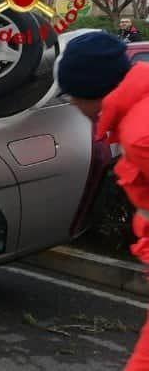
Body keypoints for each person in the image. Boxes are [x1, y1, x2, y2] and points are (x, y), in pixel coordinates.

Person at [56, 31, 149, 369]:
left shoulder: (142, 136)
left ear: (92, 89)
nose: (71, 104)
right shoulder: (138, 114)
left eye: (71, 95)